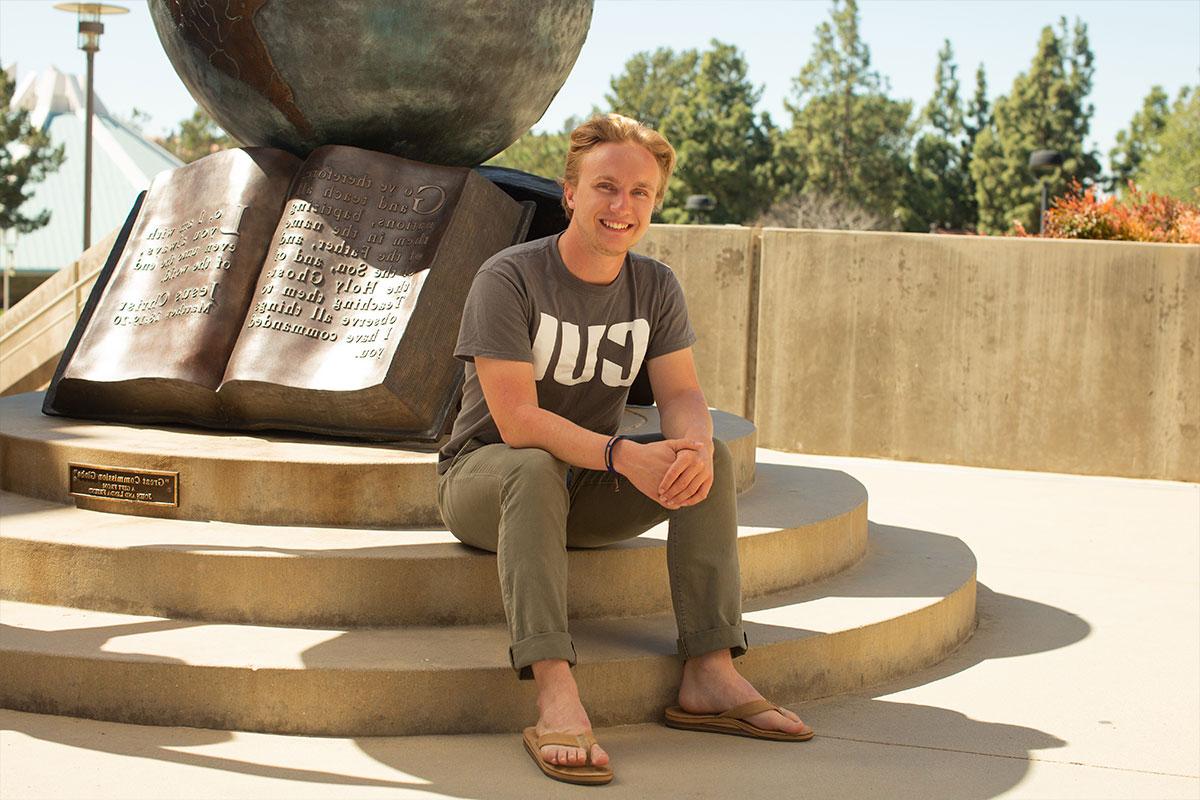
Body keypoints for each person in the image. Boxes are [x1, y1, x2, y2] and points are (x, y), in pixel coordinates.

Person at [437, 114, 812, 786]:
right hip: (488, 485)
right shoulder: (510, 278)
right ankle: (554, 689)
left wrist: (689, 445)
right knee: (532, 463)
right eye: (606, 187)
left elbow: (682, 394)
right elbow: (518, 421)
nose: (622, 206)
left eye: (640, 193)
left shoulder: (655, 286)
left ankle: (710, 671)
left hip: (583, 488)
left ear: (655, 203)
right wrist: (621, 454)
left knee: (710, 458)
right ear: (571, 193)